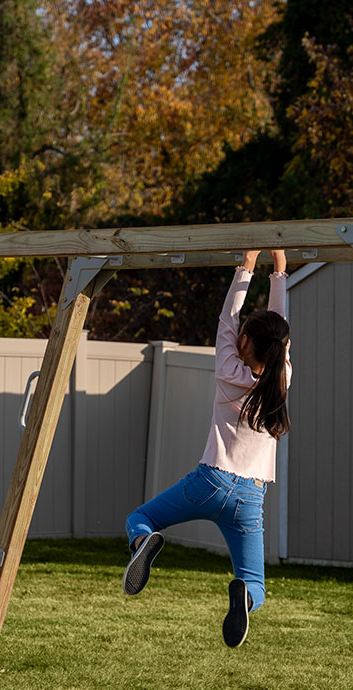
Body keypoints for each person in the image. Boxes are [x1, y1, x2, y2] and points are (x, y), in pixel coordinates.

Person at [122, 248, 291, 648]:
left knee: (141, 517)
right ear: (279, 351)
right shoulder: (282, 378)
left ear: (243, 342)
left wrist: (247, 266)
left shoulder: (227, 369)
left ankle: (143, 542)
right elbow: (280, 331)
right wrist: (280, 271)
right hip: (250, 497)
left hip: (210, 482)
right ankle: (244, 596)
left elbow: (226, 320)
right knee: (256, 585)